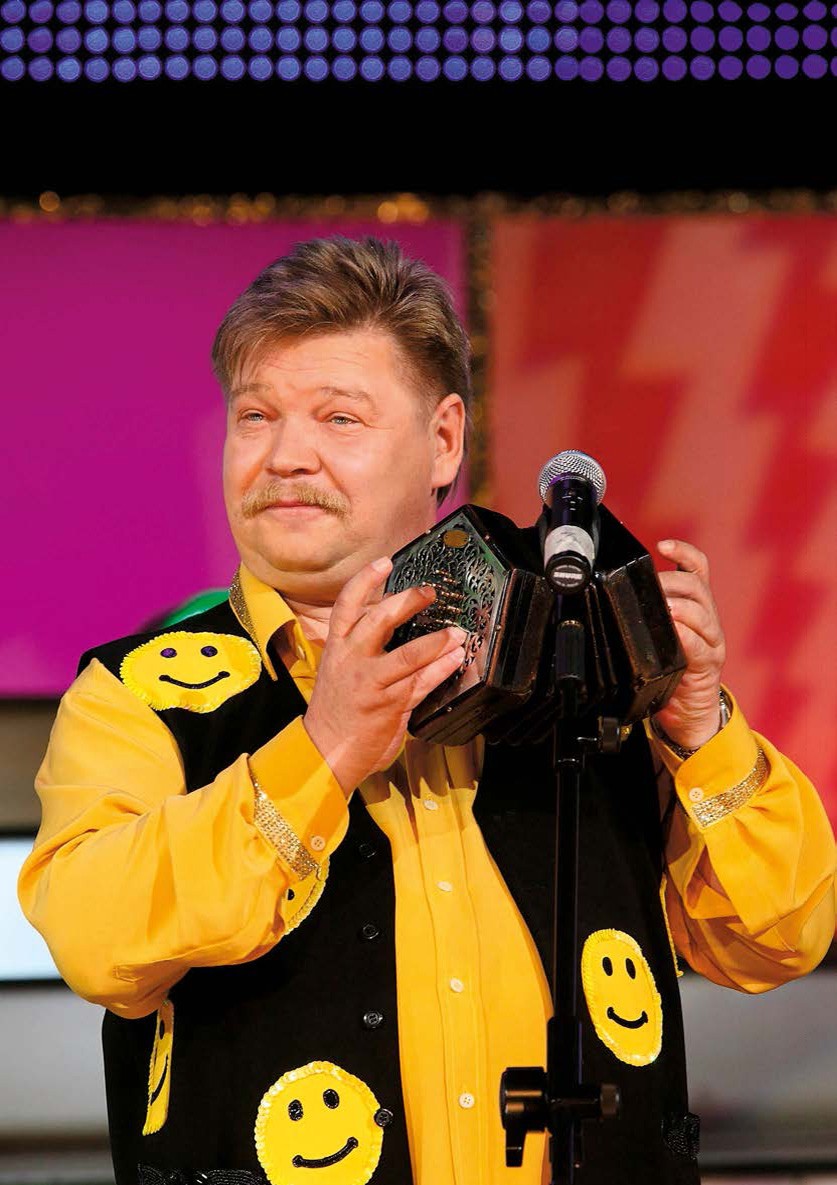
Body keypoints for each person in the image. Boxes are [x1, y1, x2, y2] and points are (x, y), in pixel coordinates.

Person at [19, 236, 836, 1185]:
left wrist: (701, 730)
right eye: (255, 416)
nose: (286, 455)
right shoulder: (136, 694)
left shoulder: (575, 664)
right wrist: (323, 749)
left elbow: (775, 940)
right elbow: (96, 943)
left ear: (443, 440)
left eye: (339, 417)